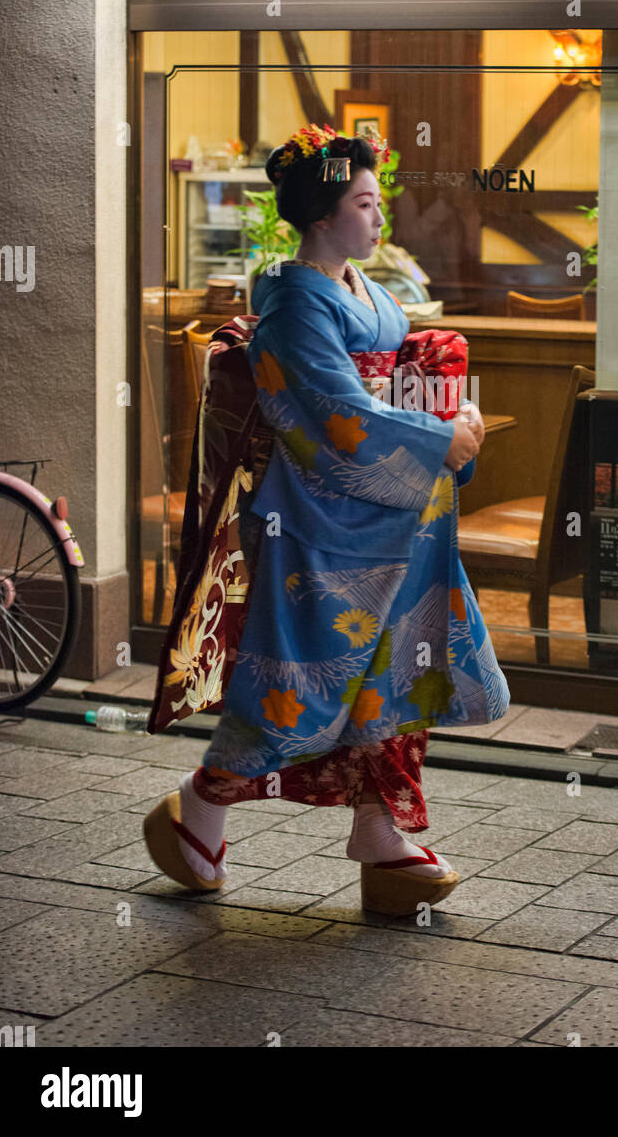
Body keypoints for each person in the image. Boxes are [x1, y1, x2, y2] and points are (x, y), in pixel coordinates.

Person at [144, 125, 511, 915]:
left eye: (378, 203)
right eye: (364, 203)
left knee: (393, 677)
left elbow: (392, 386)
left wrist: (446, 407)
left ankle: (381, 837)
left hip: (395, 513)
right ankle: (199, 805)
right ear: (320, 216)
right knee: (306, 683)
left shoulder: (362, 294)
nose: (380, 219)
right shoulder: (291, 300)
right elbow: (334, 417)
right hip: (317, 518)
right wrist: (437, 437)